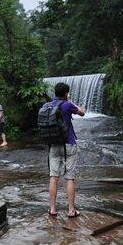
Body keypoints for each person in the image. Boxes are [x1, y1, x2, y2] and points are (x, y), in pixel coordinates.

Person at [43, 82, 85, 218]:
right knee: (69, 178)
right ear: (66, 94)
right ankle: (71, 210)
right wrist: (69, 100)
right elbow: (82, 112)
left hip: (53, 145)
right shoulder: (67, 105)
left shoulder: (47, 105)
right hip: (69, 144)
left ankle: (53, 209)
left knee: (53, 177)